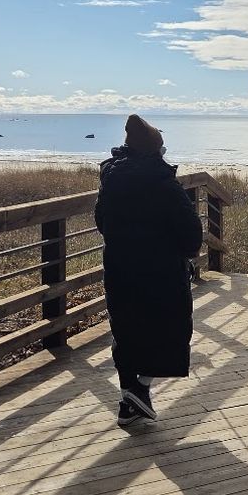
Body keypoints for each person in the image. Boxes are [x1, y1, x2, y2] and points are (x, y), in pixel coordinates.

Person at [94, 114, 204, 426]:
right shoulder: (163, 184)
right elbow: (191, 234)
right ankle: (140, 388)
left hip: (119, 269)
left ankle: (130, 401)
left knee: (126, 331)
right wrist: (185, 252)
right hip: (161, 273)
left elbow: (101, 222)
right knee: (171, 329)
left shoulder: (110, 179)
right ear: (155, 152)